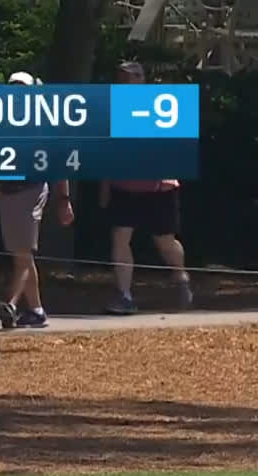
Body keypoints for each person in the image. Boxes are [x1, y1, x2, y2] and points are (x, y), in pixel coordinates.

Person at [0, 71, 74, 329]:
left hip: (31, 190)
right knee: (22, 254)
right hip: (6, 193)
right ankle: (36, 310)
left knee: (22, 253)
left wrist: (64, 199)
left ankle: (10, 303)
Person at [102, 60, 193, 315]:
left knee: (165, 241)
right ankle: (124, 295)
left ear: (142, 80)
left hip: (159, 187)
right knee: (120, 238)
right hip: (124, 186)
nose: (125, 81)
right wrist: (105, 186)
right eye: (122, 77)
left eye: (132, 77)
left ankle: (181, 277)